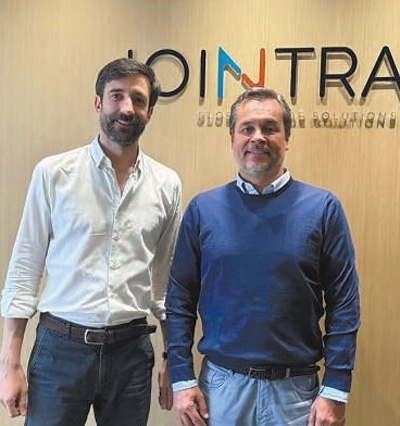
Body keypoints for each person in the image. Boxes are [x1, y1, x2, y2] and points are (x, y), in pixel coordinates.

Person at [0, 57, 181, 426]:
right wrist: (9, 364)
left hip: (131, 355)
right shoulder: (54, 174)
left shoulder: (167, 185)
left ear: (150, 112)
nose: (127, 108)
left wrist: (172, 360)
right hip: (60, 351)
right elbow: (24, 270)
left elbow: (166, 285)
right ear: (98, 102)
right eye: (116, 95)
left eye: (138, 99)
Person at [165, 87, 360, 426]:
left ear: (287, 137)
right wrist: (182, 379)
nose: (258, 137)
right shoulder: (202, 210)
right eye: (247, 128)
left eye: (270, 128)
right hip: (220, 390)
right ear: (232, 137)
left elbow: (344, 304)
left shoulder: (323, 208)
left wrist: (336, 388)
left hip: (296, 394)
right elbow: (180, 300)